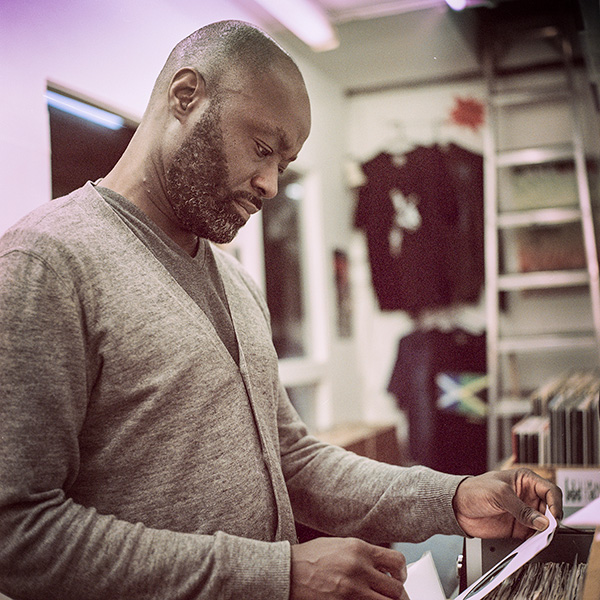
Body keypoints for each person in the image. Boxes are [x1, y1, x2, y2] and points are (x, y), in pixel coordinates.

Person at [0, 20, 562, 600]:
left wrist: (451, 498)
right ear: (186, 96)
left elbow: (291, 459)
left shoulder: (237, 284)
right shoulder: (48, 263)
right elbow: (16, 531)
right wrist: (279, 573)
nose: (270, 185)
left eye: (284, 165)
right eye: (263, 149)